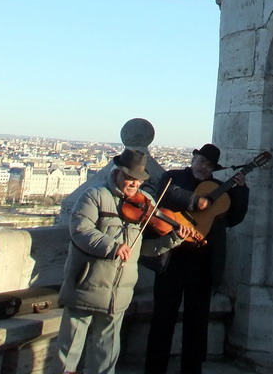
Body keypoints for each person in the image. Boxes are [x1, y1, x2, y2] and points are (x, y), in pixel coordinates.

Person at [57, 149, 186, 374]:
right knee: (68, 355)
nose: (134, 184)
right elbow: (80, 231)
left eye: (138, 180)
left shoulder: (146, 202)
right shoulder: (94, 195)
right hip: (86, 286)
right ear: (117, 173)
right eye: (130, 178)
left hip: (118, 295)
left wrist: (173, 239)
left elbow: (144, 248)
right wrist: (112, 247)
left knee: (106, 357)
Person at [144, 143, 249, 374]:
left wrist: (241, 190)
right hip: (171, 260)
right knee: (163, 318)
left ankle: (192, 369)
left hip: (203, 263)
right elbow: (165, 195)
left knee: (197, 322)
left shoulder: (220, 188)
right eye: (201, 161)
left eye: (209, 165)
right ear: (193, 160)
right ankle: (154, 368)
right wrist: (194, 201)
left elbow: (233, 219)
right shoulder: (173, 177)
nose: (204, 167)